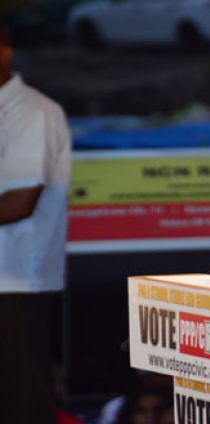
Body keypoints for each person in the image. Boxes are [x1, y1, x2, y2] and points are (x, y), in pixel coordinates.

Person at [0, 24, 72, 423]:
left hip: (14, 286)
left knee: (21, 402)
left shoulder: (31, 112)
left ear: (5, 50)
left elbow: (19, 201)